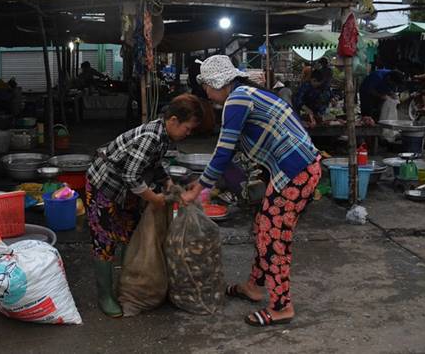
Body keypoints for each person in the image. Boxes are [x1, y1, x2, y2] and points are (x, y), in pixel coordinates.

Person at [181, 55, 321, 327]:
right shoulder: (246, 94)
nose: (207, 93)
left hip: (296, 172)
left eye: (208, 86)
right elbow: (233, 157)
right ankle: (254, 287)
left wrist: (199, 189)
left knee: (274, 239)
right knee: (263, 228)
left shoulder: (237, 100)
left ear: (220, 82)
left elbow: (222, 152)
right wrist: (213, 184)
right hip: (292, 170)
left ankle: (282, 306)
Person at [86, 93, 203, 317]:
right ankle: (105, 296)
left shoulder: (164, 136)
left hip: (127, 191)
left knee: (130, 234)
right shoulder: (151, 136)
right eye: (187, 128)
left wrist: (167, 183)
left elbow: (154, 163)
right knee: (105, 241)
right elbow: (131, 176)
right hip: (105, 186)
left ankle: (128, 284)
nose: (188, 134)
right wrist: (154, 199)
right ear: (173, 121)